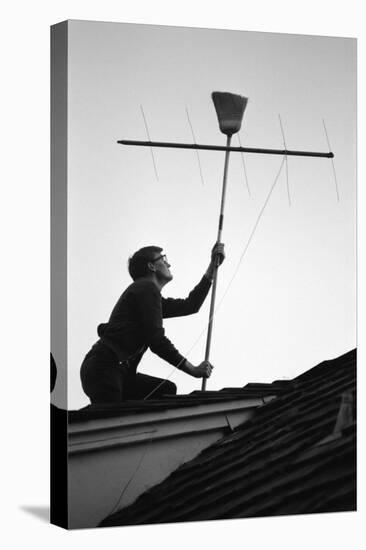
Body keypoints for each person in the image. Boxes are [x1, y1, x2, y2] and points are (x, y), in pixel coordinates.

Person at [80, 243, 225, 404]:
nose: (168, 263)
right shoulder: (146, 288)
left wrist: (213, 266)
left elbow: (191, 305)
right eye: (163, 259)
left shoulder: (147, 294)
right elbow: (157, 341)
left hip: (118, 372)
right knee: (107, 424)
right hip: (105, 367)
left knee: (166, 390)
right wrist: (193, 369)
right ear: (151, 266)